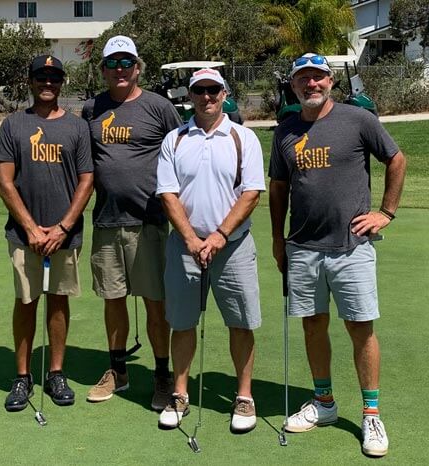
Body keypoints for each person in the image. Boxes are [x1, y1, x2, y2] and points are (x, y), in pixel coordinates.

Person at [269, 53, 406, 457]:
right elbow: (278, 187)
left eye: (317, 78)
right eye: (303, 80)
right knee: (313, 326)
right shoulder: (285, 131)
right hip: (303, 246)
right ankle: (324, 403)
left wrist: (385, 212)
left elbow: (396, 159)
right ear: (293, 86)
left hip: (352, 247)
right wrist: (278, 239)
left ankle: (371, 413)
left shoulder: (357, 119)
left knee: (360, 329)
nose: (311, 85)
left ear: (330, 81)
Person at [155, 68, 265, 433]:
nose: (206, 96)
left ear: (224, 93)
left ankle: (244, 396)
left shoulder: (243, 138)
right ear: (190, 95)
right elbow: (168, 193)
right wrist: (190, 238)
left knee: (241, 323)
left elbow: (251, 193)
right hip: (185, 246)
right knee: (182, 323)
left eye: (213, 90)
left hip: (232, 247)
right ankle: (180, 393)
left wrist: (218, 236)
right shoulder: (175, 139)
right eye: (199, 90)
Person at [82, 35, 182, 410]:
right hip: (107, 220)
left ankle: (161, 375)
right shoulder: (92, 108)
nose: (120, 70)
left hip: (150, 222)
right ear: (104, 69)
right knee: (113, 300)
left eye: (127, 63)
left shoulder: (158, 107)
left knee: (156, 304)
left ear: (138, 67)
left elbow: (180, 154)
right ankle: (118, 371)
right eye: (113, 64)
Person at [0, 55, 94, 412]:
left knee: (58, 300)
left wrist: (63, 226)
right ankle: (22, 376)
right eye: (41, 77)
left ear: (62, 81)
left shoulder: (77, 127)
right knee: (26, 301)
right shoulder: (13, 124)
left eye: (53, 77)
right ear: (31, 81)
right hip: (25, 236)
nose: (47, 83)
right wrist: (32, 228)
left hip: (65, 234)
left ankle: (55, 372)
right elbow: (4, 183)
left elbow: (87, 180)